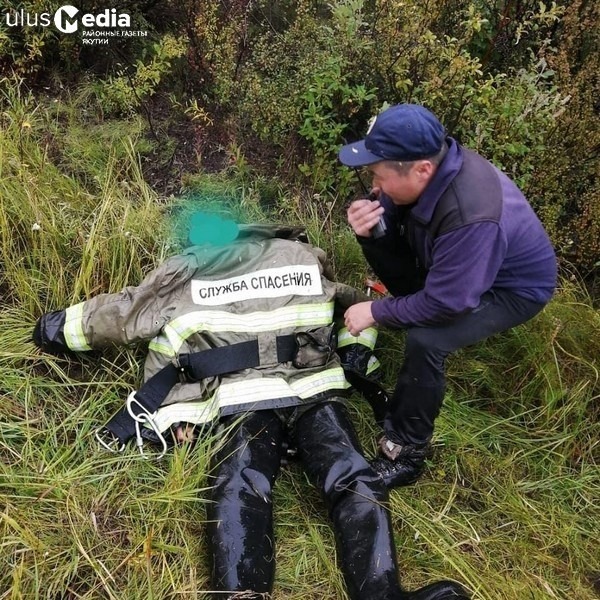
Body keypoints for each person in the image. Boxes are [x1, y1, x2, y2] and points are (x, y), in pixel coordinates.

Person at [33, 221, 470, 600]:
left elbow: (121, 313)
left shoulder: (189, 268)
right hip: (314, 391)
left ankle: (241, 592)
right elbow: (355, 309)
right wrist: (358, 355)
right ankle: (382, 592)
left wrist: (51, 328)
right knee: (352, 477)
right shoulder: (304, 256)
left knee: (240, 480)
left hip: (240, 401)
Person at [339, 104, 557, 489]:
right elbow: (394, 205)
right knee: (400, 268)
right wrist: (371, 226)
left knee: (427, 338)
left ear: (421, 169)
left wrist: (376, 311)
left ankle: (405, 452)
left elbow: (447, 303)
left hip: (512, 288)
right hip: (461, 265)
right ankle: (409, 306)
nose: (374, 186)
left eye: (378, 175)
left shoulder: (470, 215)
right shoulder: (432, 167)